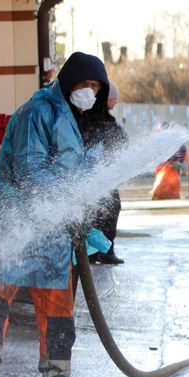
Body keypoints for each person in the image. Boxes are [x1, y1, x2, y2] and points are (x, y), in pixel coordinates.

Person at [0, 51, 109, 377]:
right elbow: (29, 171)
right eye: (84, 83)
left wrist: (81, 214)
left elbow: (80, 176)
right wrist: (65, 206)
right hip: (18, 224)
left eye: (95, 86)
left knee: (59, 307)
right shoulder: (38, 112)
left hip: (55, 230)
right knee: (0, 295)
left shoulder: (80, 122)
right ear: (68, 80)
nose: (88, 91)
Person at [82, 80, 127, 266]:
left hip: (102, 176)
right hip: (101, 176)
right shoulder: (98, 119)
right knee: (109, 210)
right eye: (113, 99)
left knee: (98, 213)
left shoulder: (95, 118)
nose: (115, 102)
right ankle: (105, 251)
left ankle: (94, 252)